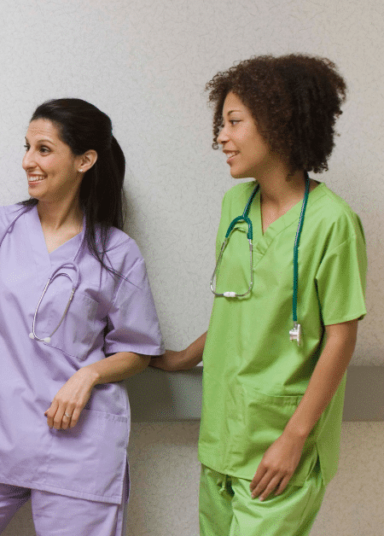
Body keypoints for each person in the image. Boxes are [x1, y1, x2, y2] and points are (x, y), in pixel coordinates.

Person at [0, 98, 163, 536]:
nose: (28, 161)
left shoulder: (117, 251)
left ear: (84, 160)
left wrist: (89, 375)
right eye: (27, 147)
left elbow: (138, 350)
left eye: (43, 149)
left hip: (78, 448)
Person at [150, 54, 365, 536]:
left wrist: (294, 438)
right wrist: (183, 357)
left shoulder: (333, 222)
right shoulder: (235, 205)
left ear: (278, 121)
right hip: (223, 437)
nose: (220, 137)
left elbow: (341, 337)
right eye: (221, 123)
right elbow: (240, 307)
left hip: (279, 447)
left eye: (233, 122)